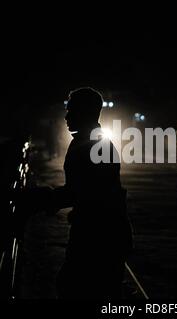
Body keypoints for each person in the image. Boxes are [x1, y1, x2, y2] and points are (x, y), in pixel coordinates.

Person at [49, 87, 133, 299]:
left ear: (85, 113)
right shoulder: (92, 142)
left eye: (71, 111)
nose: (66, 116)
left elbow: (82, 193)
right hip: (104, 233)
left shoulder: (90, 145)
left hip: (97, 237)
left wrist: (42, 199)